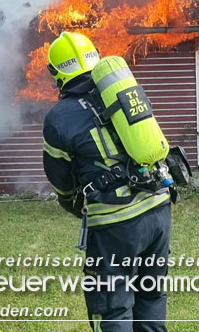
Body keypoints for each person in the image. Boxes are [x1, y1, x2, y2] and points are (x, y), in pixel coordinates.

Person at [43, 32, 172, 332]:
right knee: (152, 296)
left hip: (116, 222)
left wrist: (70, 201)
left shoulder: (59, 117)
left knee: (115, 307)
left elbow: (60, 179)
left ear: (58, 73)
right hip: (158, 207)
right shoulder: (122, 91)